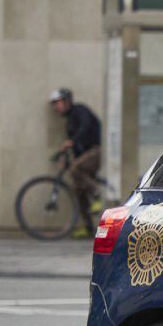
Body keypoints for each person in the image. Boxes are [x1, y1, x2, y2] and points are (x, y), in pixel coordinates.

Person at [49, 88, 102, 237]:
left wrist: (71, 141)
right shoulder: (68, 123)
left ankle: (96, 193)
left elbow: (85, 127)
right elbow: (76, 148)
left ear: (67, 101)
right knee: (78, 189)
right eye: (53, 104)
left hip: (96, 151)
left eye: (57, 102)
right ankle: (88, 228)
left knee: (74, 169)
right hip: (85, 155)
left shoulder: (80, 110)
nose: (55, 107)